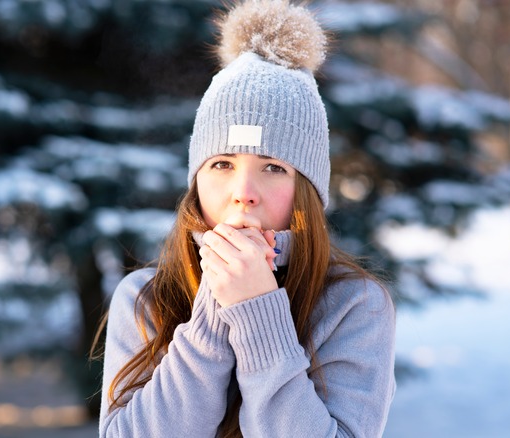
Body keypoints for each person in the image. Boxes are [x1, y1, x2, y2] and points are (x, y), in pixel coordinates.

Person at [96, 1, 396, 436]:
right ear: (196, 179)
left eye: (273, 167)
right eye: (222, 164)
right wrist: (214, 316)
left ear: (307, 190)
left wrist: (257, 313)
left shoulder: (354, 306)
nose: (243, 195)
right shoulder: (144, 300)